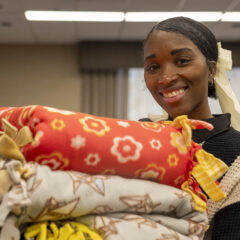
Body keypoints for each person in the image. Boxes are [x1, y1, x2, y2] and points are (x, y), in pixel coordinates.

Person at [141, 16, 240, 239]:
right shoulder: (133, 139)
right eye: (153, 67)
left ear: (211, 70)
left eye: (183, 61)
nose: (165, 78)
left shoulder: (236, 153)